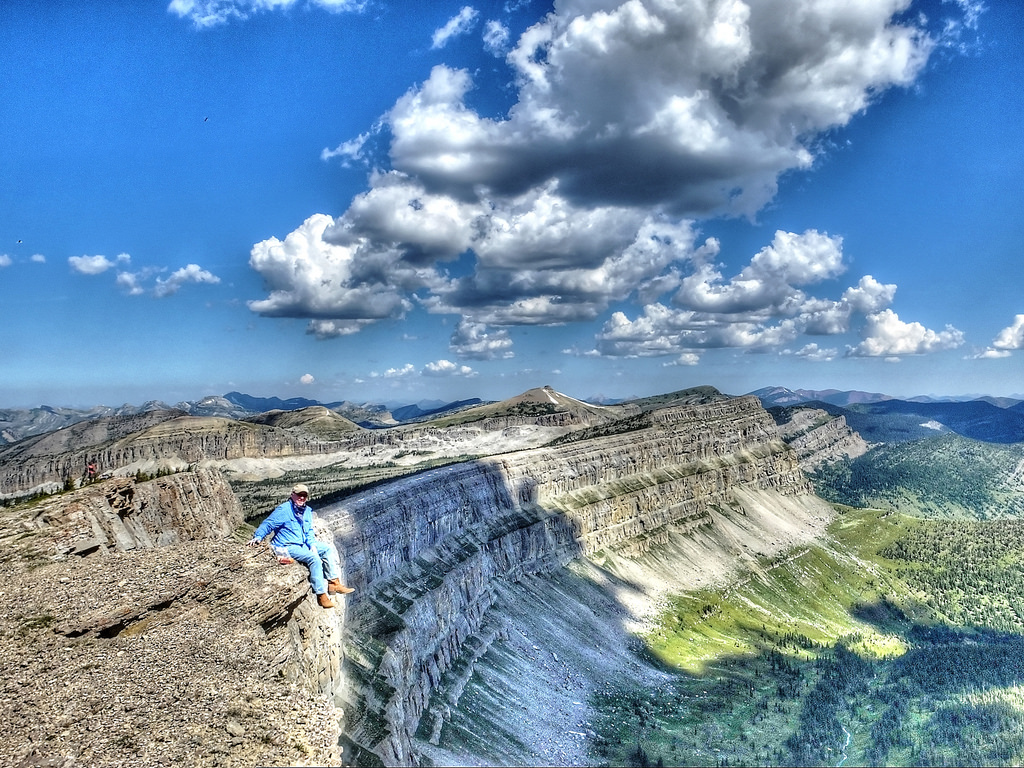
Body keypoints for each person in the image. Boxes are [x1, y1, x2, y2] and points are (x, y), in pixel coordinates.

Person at [248, 483, 354, 608]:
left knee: (326, 549)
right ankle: (321, 595)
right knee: (314, 559)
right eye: (299, 495)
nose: (302, 498)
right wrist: (258, 536)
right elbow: (268, 524)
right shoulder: (284, 510)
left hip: (302, 543)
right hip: (286, 545)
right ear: (292, 495)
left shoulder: (307, 511)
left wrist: (312, 544)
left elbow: (308, 531)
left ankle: (334, 583)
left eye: (304, 496)